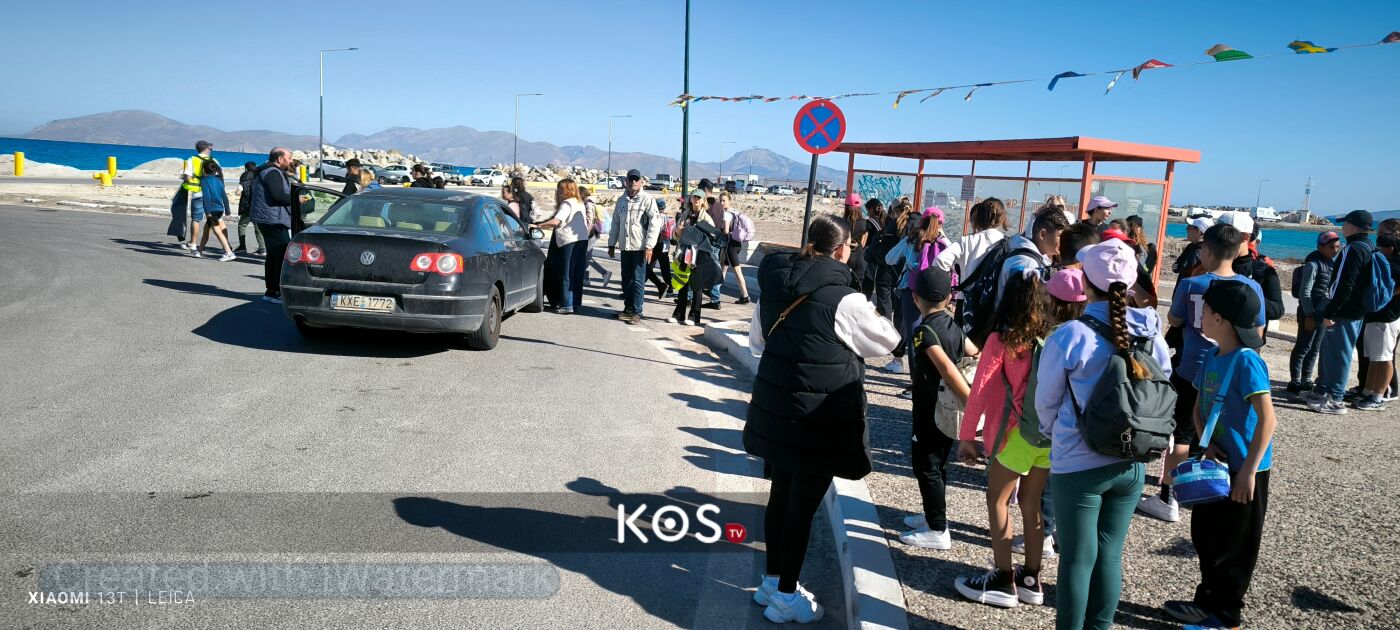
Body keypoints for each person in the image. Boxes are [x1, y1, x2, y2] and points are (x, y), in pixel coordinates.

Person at [744, 214, 900, 623]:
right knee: (802, 506)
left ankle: (772, 580)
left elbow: (757, 342)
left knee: (781, 495)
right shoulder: (846, 299)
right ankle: (786, 595)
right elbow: (888, 340)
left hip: (776, 408)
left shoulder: (775, 283)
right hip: (818, 417)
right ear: (844, 249)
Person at [1035, 238, 1171, 630]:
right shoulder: (1151, 333)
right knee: (1110, 554)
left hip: (1078, 461)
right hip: (1132, 460)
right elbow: (1163, 383)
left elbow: (1046, 401)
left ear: (1086, 283)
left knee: (1077, 558)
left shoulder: (1070, 335)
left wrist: (1053, 434)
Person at [1163, 280, 1276, 630]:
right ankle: (1206, 602)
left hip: (1245, 468)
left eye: (1206, 310)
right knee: (1207, 535)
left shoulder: (1247, 361)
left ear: (1220, 319)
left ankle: (1226, 616)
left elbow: (1268, 420)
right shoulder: (1212, 355)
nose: (1200, 315)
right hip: (1217, 462)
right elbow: (1198, 406)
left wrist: (1249, 472)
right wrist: (1205, 441)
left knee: (1236, 545)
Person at [1141, 224, 1264, 523]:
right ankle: (1212, 485)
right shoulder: (1252, 287)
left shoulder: (1191, 284)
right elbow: (1258, 331)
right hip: (1232, 372)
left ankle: (1169, 496)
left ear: (1206, 250)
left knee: (1182, 434)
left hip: (1192, 367)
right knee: (1219, 433)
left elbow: (1174, 319)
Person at [952, 271, 1054, 607]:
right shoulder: (1050, 339)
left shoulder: (1001, 340)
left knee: (997, 501)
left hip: (1014, 434)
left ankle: (1002, 578)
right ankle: (1031, 579)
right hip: (1046, 435)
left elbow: (979, 391)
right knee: (1031, 503)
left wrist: (967, 437)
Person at [898, 265, 980, 548]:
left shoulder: (924, 332)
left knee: (926, 466)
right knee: (937, 464)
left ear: (915, 298)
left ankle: (937, 529)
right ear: (948, 298)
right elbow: (974, 353)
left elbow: (946, 368)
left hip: (931, 409)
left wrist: (972, 402)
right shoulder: (951, 324)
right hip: (946, 411)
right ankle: (932, 513)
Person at [1306, 210, 1377, 415]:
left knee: (1339, 353)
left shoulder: (1352, 249)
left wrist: (1330, 311)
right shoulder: (1370, 247)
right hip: (1358, 309)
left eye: (1345, 223)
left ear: (1352, 226)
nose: (1342, 227)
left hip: (1345, 310)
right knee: (1332, 351)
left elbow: (1342, 284)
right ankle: (1322, 390)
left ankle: (1335, 398)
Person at [884, 208, 950, 377]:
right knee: (934, 336)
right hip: (936, 295)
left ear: (921, 222)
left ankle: (916, 381)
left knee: (915, 336)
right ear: (941, 224)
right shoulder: (944, 244)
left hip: (912, 291)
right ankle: (933, 377)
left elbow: (889, 259)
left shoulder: (910, 240)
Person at [1352, 217, 1400, 402]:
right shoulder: (1383, 258)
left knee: (1384, 355)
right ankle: (1367, 389)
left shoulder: (1395, 261)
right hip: (1374, 313)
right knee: (1372, 355)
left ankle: (1383, 392)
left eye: (1382, 234)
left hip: (1388, 315)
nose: (1378, 239)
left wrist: (1387, 294)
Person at [1287, 231, 1341, 394]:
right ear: (1320, 247)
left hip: (1323, 313)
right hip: (1309, 313)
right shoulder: (1313, 265)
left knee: (1315, 348)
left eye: (1337, 247)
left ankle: (1306, 379)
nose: (1335, 250)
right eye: (1331, 247)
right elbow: (1305, 292)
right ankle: (1295, 380)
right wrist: (1309, 315)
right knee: (1303, 347)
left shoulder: (1331, 264)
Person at [607, 169, 661, 324]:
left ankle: (637, 312)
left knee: (638, 280)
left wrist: (649, 246)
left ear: (641, 182)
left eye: (636, 179)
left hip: (640, 247)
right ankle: (628, 308)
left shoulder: (647, 199)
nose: (633, 182)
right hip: (626, 247)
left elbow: (654, 224)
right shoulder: (621, 200)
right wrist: (611, 244)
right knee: (626, 280)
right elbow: (616, 223)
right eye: (631, 179)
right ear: (626, 181)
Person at [1217, 211, 1284, 324]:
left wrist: (1243, 296)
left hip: (1246, 333)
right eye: (1217, 236)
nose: (1220, 241)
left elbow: (1277, 310)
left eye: (1226, 236)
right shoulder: (1210, 263)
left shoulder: (1263, 269)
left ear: (1245, 237)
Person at [996, 207, 1069, 310]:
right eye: (1060, 235)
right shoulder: (1027, 263)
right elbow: (1020, 308)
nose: (1064, 240)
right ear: (1042, 234)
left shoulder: (1035, 256)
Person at [534, 179, 589, 315]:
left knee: (566, 273)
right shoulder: (579, 202)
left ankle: (566, 304)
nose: (558, 192)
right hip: (582, 240)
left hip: (569, 240)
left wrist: (538, 226)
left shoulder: (567, 203)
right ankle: (575, 303)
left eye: (559, 189)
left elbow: (556, 221)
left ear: (565, 190)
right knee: (577, 273)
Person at [250, 147, 295, 303]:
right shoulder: (272, 172)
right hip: (272, 220)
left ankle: (271, 291)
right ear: (280, 159)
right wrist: (296, 199)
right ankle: (276, 292)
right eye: (289, 158)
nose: (291, 161)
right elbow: (279, 196)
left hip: (268, 218)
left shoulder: (270, 171)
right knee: (282, 254)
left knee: (273, 255)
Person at [670, 194, 721, 326]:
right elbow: (675, 234)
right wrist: (677, 232)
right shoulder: (685, 214)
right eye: (694, 197)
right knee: (683, 283)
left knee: (697, 285)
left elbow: (710, 238)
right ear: (691, 199)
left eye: (699, 198)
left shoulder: (707, 218)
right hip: (684, 253)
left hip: (699, 255)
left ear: (703, 201)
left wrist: (687, 233)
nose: (696, 200)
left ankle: (694, 316)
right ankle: (679, 314)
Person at [873, 199, 912, 318]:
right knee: (899, 301)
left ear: (895, 210)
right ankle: (898, 328)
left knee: (884, 299)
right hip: (903, 269)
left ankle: (886, 325)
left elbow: (884, 248)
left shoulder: (892, 225)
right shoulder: (913, 226)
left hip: (887, 267)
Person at [194, 158, 237, 262]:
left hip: (212, 210)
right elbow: (224, 197)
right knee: (206, 229)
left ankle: (229, 253)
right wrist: (227, 211)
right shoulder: (219, 180)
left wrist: (207, 212)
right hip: (219, 209)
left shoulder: (204, 181)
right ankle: (199, 250)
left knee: (217, 231)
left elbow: (207, 197)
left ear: (204, 170)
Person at [713, 192, 752, 305]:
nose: (722, 203)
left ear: (729, 200)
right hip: (737, 244)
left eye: (724, 200)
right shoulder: (734, 211)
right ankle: (715, 293)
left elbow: (726, 231)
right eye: (720, 200)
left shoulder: (726, 214)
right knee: (723, 269)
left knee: (737, 271)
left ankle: (745, 295)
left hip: (730, 246)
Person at [179, 140, 214, 253]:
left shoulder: (192, 160)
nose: (211, 151)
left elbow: (188, 177)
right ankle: (224, 246)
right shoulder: (214, 160)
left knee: (196, 219)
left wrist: (184, 178)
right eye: (210, 149)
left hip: (198, 193)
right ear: (206, 149)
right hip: (211, 193)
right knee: (212, 219)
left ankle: (193, 244)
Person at [234, 161, 265, 256]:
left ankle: (242, 246)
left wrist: (237, 192)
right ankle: (262, 248)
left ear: (246, 168)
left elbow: (238, 192)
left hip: (247, 205)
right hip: (258, 205)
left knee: (242, 225)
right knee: (258, 226)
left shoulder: (244, 177)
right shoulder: (259, 175)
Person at [645, 199, 674, 298]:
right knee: (665, 268)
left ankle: (640, 285)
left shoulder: (656, 217)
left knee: (647, 267)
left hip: (656, 246)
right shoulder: (668, 217)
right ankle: (669, 288)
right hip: (665, 246)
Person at [841, 193, 871, 286]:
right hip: (859, 259)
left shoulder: (841, 223)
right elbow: (863, 243)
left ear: (846, 207)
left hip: (844, 258)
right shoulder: (865, 223)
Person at [1173, 215, 1213, 280]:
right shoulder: (1193, 246)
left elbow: (1181, 268)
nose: (1186, 228)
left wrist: (1179, 267)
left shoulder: (1198, 250)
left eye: (1189, 226)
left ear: (1198, 230)